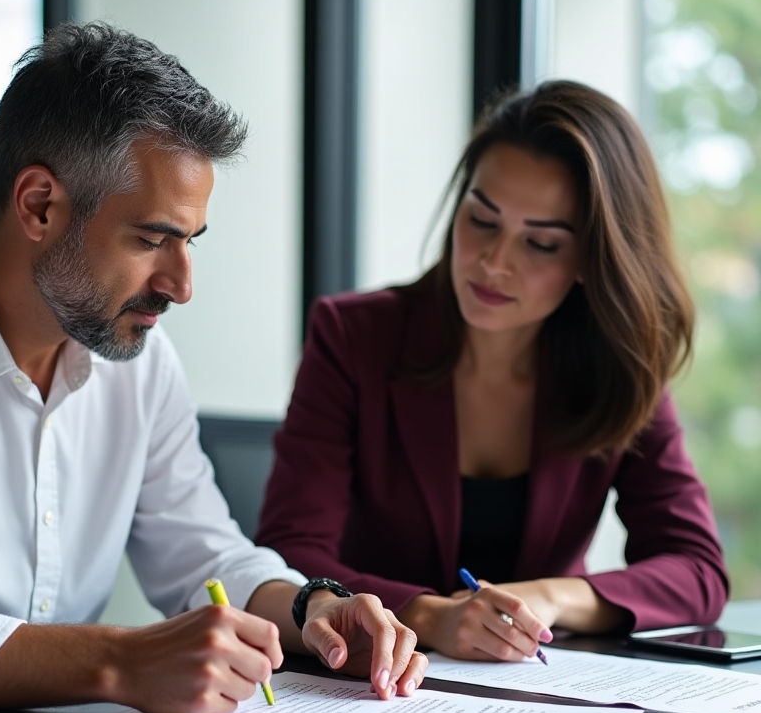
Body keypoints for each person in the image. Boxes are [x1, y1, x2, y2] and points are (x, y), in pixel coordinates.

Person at [0, 22, 426, 713]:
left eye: (190, 242)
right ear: (39, 204)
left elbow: (202, 556)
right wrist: (118, 661)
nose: (182, 285)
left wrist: (315, 607)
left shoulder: (140, 360)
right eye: (152, 239)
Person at [257, 81, 728, 663]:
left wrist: (552, 598)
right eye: (482, 219)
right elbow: (288, 554)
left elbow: (698, 570)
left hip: (535, 690)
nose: (494, 262)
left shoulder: (619, 365)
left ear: (591, 260)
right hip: (367, 683)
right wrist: (430, 614)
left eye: (541, 244)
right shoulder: (354, 337)